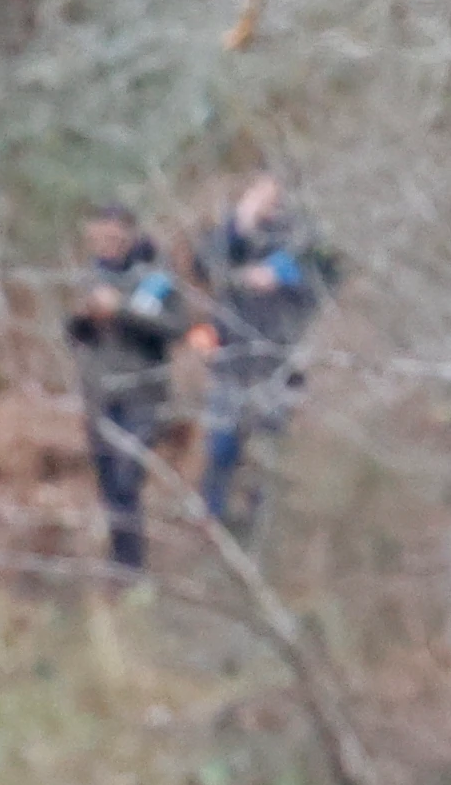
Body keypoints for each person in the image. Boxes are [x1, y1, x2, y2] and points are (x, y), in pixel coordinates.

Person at [193, 172, 334, 541]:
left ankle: (261, 541)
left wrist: (285, 278)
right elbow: (204, 267)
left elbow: (326, 283)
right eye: (259, 192)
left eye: (275, 194)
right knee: (220, 451)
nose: (268, 201)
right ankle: (215, 534)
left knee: (267, 461)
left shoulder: (306, 240)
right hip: (229, 364)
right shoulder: (230, 234)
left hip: (279, 366)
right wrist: (239, 223)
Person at [66, 203, 188, 575]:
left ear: (130, 234)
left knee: (126, 478)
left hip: (143, 396)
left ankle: (131, 567)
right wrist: (83, 318)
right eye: (99, 236)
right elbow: (74, 334)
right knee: (109, 487)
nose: (107, 243)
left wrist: (122, 310)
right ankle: (122, 567)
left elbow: (176, 327)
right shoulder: (89, 276)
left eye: (114, 235)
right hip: (100, 398)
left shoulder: (155, 277)